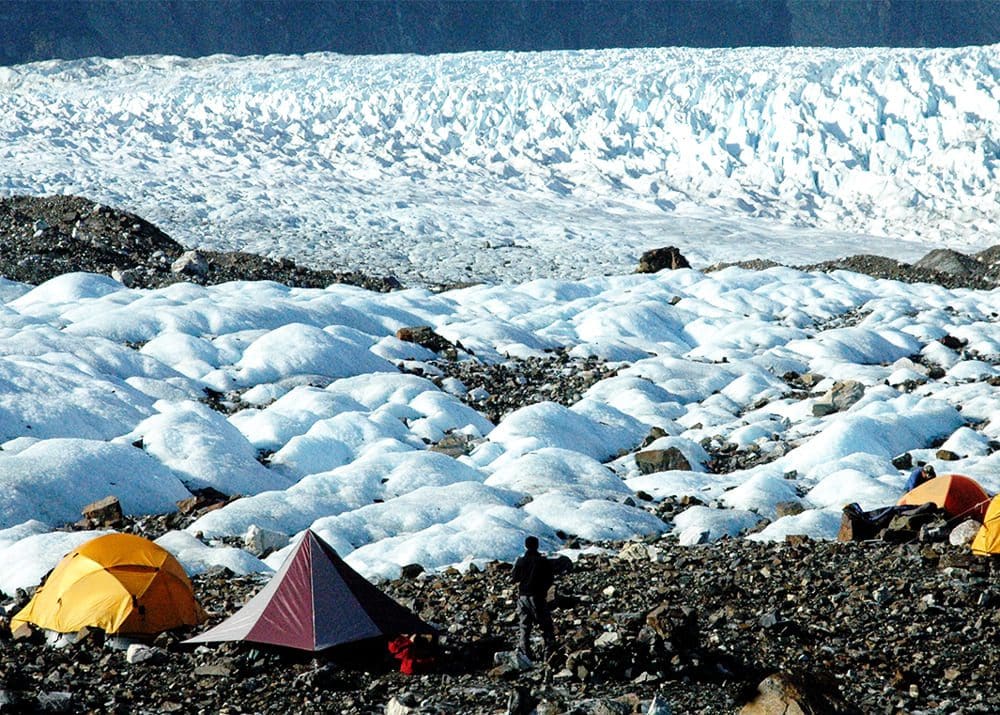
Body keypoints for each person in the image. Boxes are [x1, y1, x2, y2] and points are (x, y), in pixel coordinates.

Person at [511, 535, 556, 663]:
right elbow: (550, 579)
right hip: (537, 596)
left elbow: (514, 578)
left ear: (526, 546)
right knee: (545, 625)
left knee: (524, 626)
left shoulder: (520, 561)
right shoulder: (543, 561)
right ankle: (549, 653)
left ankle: (525, 654)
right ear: (537, 545)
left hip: (523, 597)